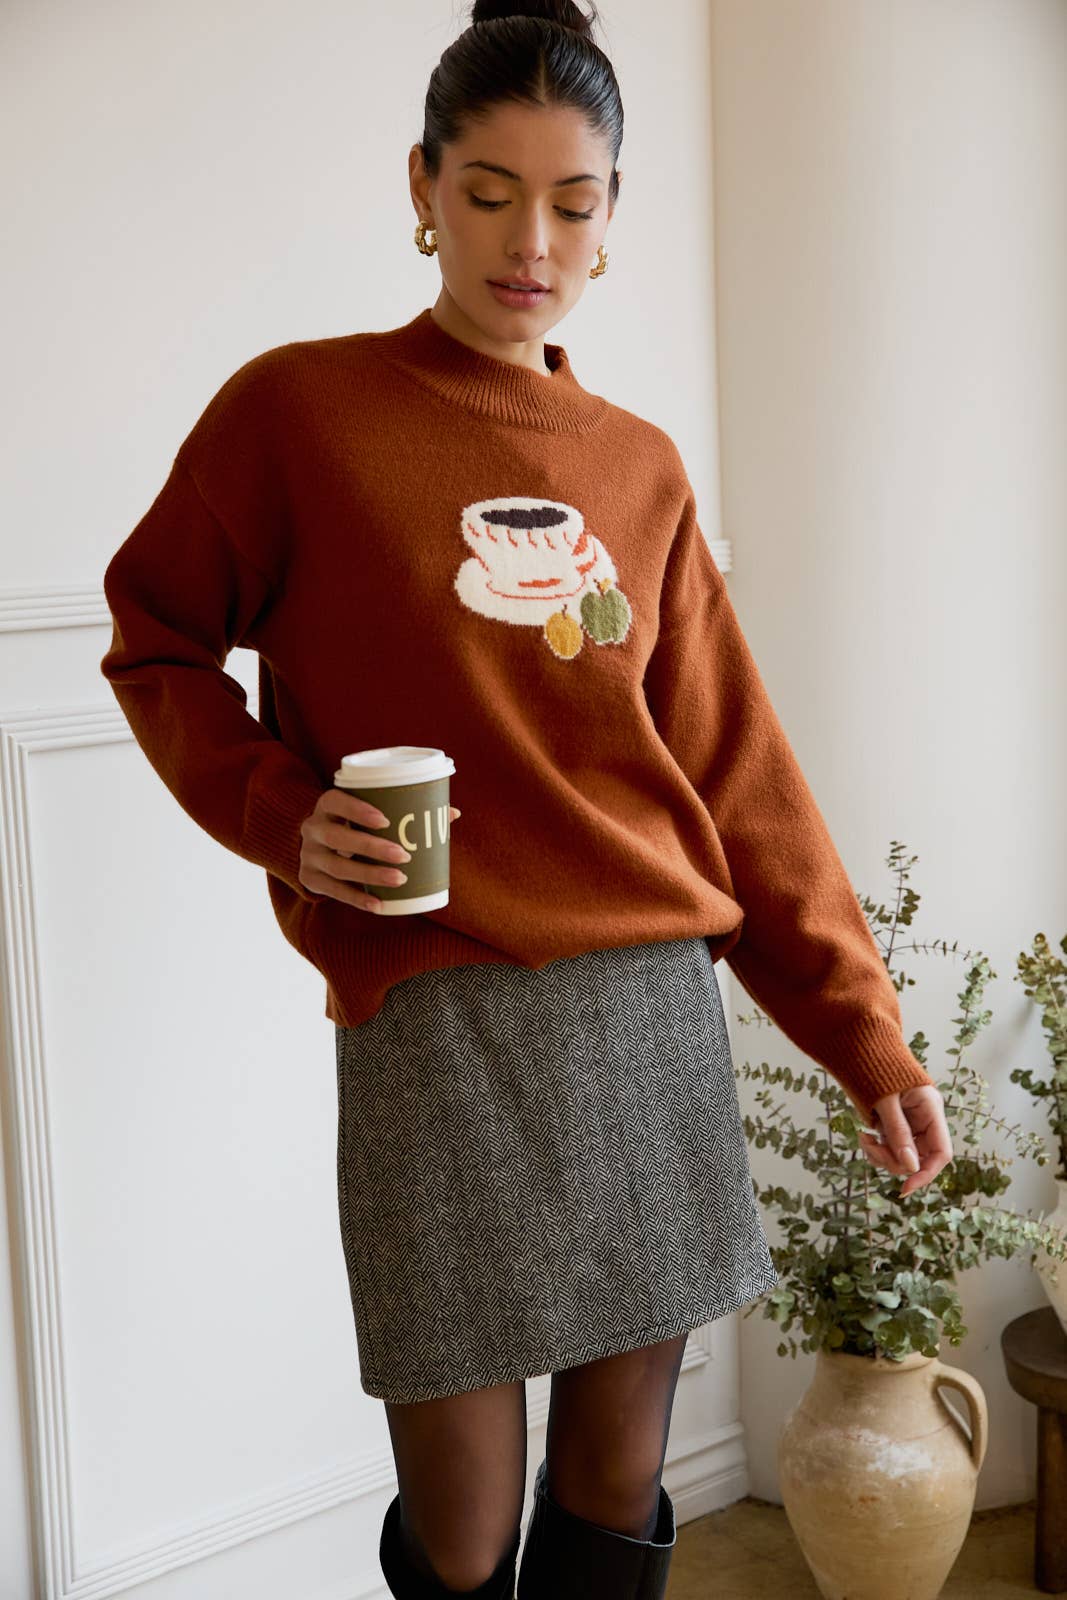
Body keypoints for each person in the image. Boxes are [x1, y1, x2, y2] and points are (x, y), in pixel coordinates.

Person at [99, 2, 954, 1596]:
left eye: (573, 200)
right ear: (419, 186)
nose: (530, 239)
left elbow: (734, 773)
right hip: (434, 1021)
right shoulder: (296, 414)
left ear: (615, 217)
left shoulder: (636, 465)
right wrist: (279, 809)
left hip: (642, 1020)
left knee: (612, 1499)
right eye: (489, 192)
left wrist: (865, 1034)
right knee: (463, 1531)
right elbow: (153, 641)